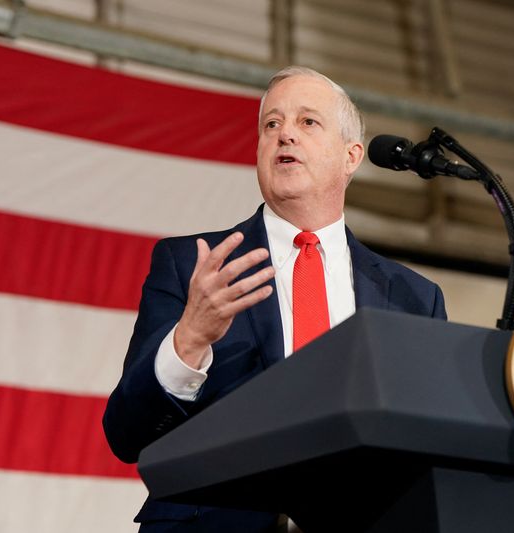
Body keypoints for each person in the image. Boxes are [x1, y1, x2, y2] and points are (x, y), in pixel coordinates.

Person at [103, 66, 447, 532]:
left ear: (351, 156)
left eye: (308, 122)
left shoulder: (414, 298)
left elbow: (430, 450)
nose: (285, 135)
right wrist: (188, 342)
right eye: (272, 124)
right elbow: (128, 434)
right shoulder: (193, 267)